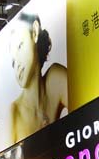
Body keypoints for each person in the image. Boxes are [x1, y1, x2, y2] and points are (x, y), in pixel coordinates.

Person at [9, 11, 69, 142]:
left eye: (20, 46)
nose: (17, 64)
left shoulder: (55, 78)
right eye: (13, 62)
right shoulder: (15, 112)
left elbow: (88, 117)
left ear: (34, 32)